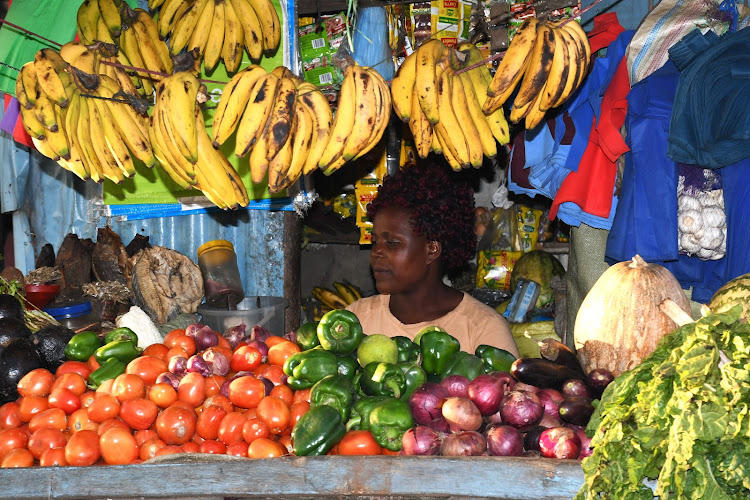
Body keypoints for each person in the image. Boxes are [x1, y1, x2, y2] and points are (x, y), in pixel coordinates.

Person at [346, 159, 520, 356]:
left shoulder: (483, 330)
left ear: (432, 249)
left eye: (392, 243)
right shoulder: (355, 321)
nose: (376, 252)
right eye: (375, 241)